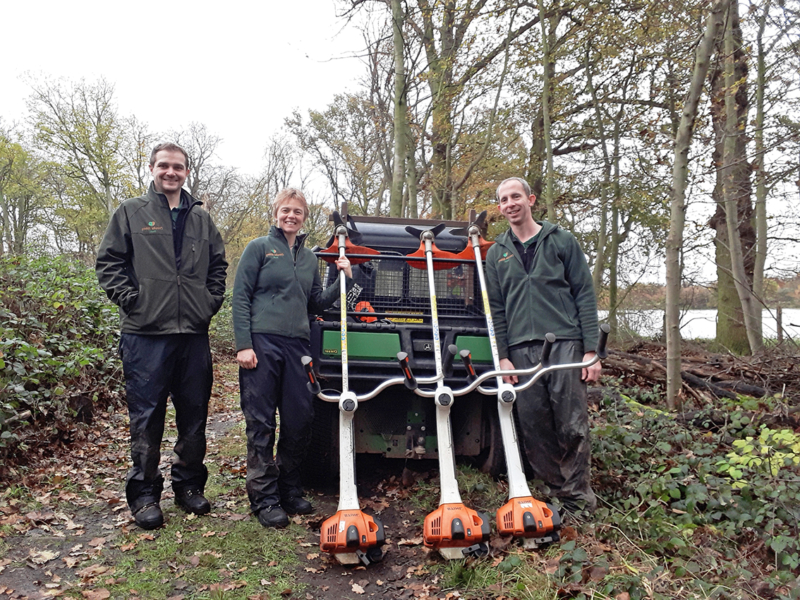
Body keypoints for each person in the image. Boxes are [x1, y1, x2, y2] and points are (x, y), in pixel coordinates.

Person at [96, 143, 227, 530]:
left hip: (193, 335)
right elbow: (109, 263)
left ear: (187, 172)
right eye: (164, 166)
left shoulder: (202, 221)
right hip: (145, 334)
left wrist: (208, 302)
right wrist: (132, 300)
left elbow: (218, 266)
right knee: (147, 417)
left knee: (194, 416)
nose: (171, 172)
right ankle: (144, 495)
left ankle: (188, 487)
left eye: (179, 167)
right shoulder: (130, 212)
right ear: (152, 169)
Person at [232, 188, 353, 528]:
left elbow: (315, 303)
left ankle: (289, 488)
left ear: (304, 217)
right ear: (276, 213)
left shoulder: (310, 258)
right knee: (261, 422)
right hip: (262, 342)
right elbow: (240, 297)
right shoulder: (259, 248)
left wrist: (343, 279)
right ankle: (264, 498)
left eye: (297, 211)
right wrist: (244, 344)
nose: (291, 216)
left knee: (299, 419)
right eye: (286, 210)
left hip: (298, 346)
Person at [485, 176, 601, 515]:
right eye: (504, 199)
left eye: (516, 196)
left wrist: (591, 350)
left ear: (531, 199)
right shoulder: (497, 253)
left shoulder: (561, 241)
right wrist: (503, 358)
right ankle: (554, 495)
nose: (510, 204)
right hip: (521, 350)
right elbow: (496, 309)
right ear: (500, 207)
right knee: (535, 427)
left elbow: (584, 294)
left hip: (564, 344)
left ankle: (578, 500)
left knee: (572, 425)